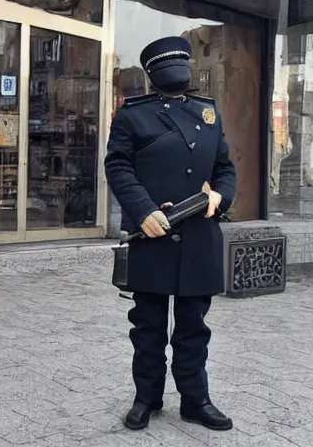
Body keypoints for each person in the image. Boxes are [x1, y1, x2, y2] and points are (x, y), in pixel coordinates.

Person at [105, 36, 236, 432]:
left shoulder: (208, 113)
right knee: (147, 327)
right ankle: (147, 397)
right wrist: (142, 209)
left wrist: (219, 198)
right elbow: (118, 167)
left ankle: (196, 400)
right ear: (152, 74)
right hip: (153, 237)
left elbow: (225, 169)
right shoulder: (132, 116)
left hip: (199, 235)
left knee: (194, 327)